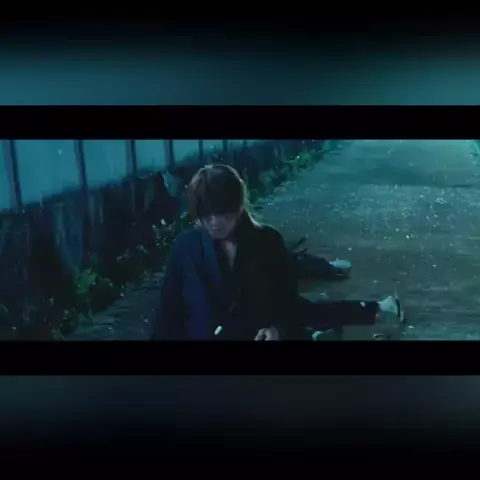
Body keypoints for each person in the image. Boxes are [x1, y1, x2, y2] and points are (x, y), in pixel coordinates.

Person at [150, 164, 406, 341]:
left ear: (238, 206)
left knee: (312, 311)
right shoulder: (186, 248)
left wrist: (277, 329)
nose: (215, 222)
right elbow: (169, 314)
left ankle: (369, 312)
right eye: (207, 215)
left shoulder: (267, 241)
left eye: (223, 213)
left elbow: (288, 302)